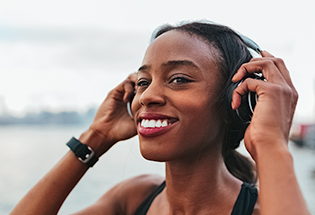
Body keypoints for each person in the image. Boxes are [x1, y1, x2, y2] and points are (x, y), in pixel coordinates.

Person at [10, 21, 310, 215]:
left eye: (179, 79)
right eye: (142, 82)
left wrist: (270, 142)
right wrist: (96, 137)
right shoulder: (133, 199)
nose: (146, 96)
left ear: (237, 102)